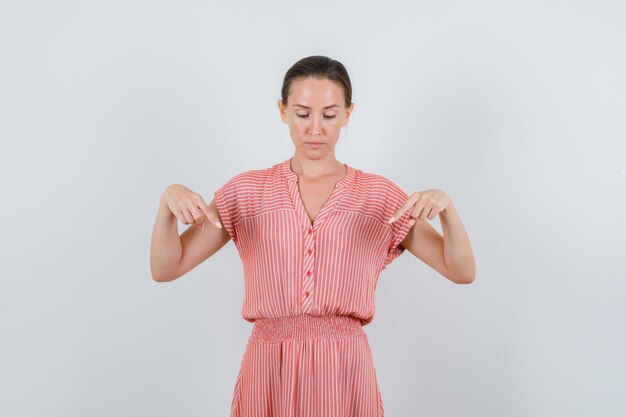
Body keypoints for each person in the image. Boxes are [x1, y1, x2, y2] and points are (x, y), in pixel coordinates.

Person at [150, 55, 476, 417]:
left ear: (348, 114)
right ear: (283, 111)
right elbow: (167, 267)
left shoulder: (379, 196)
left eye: (330, 115)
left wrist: (448, 209)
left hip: (344, 368)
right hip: (267, 367)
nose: (315, 128)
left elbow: (460, 271)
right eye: (303, 114)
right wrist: (168, 201)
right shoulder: (246, 192)